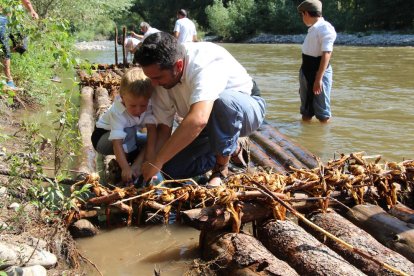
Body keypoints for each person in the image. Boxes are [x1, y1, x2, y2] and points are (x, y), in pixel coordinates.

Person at [135, 32, 266, 186]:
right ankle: (232, 147)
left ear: (178, 65)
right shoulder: (159, 78)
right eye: (151, 78)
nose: (154, 84)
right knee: (170, 170)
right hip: (207, 125)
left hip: (245, 111)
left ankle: (220, 169)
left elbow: (198, 120)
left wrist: (157, 161)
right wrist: (154, 165)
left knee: (222, 102)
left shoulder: (203, 62)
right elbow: (163, 128)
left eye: (158, 78)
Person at [91, 68, 157, 184]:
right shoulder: (118, 112)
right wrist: (126, 168)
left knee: (154, 141)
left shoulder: (149, 106)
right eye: (133, 105)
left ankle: (136, 163)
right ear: (122, 98)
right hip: (102, 139)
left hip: (128, 138)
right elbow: (117, 143)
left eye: (143, 105)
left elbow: (152, 132)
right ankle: (124, 168)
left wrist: (150, 160)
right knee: (129, 131)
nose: (138, 110)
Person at [297, 0, 336, 123]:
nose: (302, 18)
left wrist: (318, 79)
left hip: (319, 72)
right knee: (306, 111)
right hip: (306, 71)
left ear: (306, 13)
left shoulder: (325, 27)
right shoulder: (314, 28)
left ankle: (323, 139)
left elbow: (327, 53)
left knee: (323, 114)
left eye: (301, 15)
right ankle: (306, 136)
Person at [0, 0, 38, 89]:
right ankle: (9, 80)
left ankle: (2, 53)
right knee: (5, 49)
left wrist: (32, 10)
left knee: (22, 46)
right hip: (1, 18)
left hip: (13, 20)